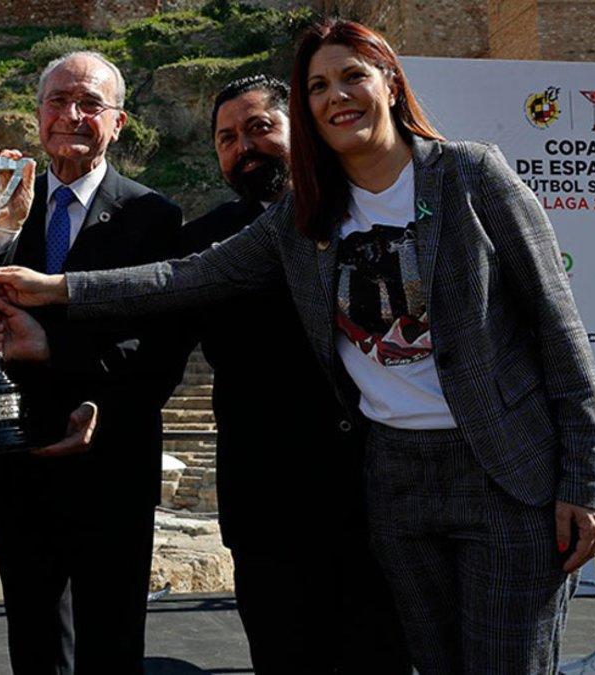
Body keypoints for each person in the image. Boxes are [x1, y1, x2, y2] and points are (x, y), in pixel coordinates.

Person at [0, 19, 595, 673]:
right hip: (387, 487)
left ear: (390, 83)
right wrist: (55, 291)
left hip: (493, 475)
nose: (338, 96)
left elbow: (558, 332)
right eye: (319, 86)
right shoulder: (299, 216)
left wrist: (584, 481)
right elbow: (183, 279)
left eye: (352, 76)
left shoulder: (471, 175)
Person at [0, 51, 190, 673]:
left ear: (117, 123)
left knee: (112, 642)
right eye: (58, 102)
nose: (72, 115)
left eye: (90, 104)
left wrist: (60, 355)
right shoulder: (5, 210)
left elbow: (163, 349)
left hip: (111, 459)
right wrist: (1, 236)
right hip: (21, 461)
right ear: (38, 116)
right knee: (35, 645)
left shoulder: (155, 216)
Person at [182, 74, 408, 672]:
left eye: (260, 127)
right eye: (227, 138)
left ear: (298, 129)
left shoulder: (367, 217)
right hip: (267, 509)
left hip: (373, 497)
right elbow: (148, 335)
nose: (244, 147)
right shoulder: (203, 243)